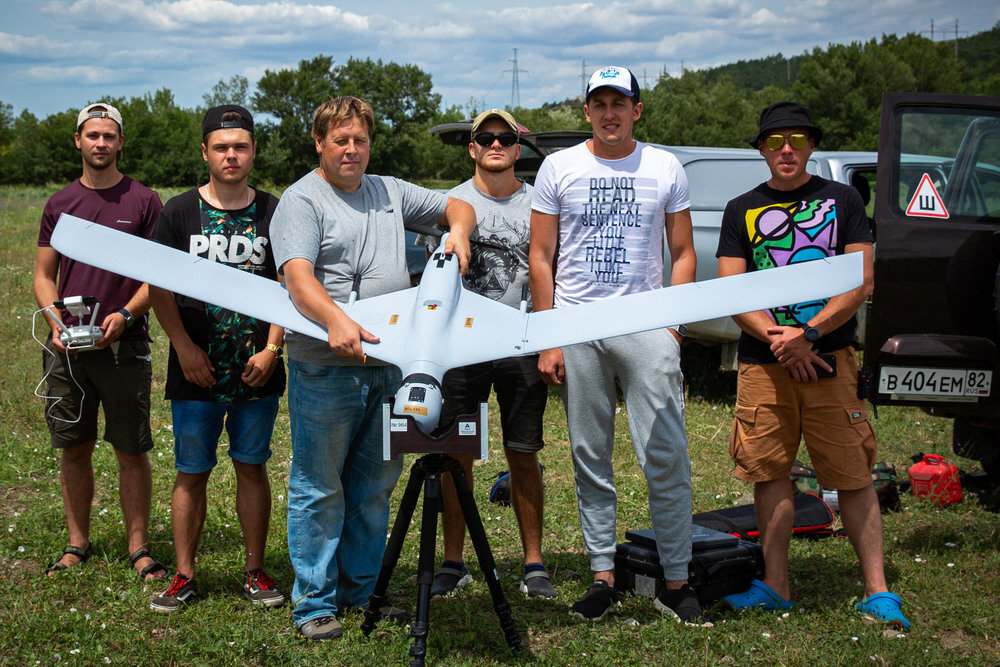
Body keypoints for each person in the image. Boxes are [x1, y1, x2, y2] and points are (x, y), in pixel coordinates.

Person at [269, 95, 475, 641]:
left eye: (360, 139)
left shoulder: (388, 190)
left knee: (375, 483)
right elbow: (297, 277)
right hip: (324, 366)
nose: (352, 150)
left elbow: (458, 206)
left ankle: (363, 593)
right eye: (341, 140)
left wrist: (458, 232)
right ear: (319, 143)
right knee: (319, 485)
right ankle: (314, 603)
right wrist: (335, 320)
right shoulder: (301, 201)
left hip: (389, 366)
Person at [715, 101, 909, 629]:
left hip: (830, 362)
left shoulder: (844, 200)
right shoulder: (740, 209)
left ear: (810, 147)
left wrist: (811, 336)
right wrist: (781, 340)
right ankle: (775, 587)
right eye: (775, 141)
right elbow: (732, 288)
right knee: (770, 473)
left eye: (796, 140)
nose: (786, 150)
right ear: (760, 148)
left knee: (852, 473)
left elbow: (860, 281)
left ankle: (878, 591)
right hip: (764, 364)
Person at [528, 67, 707, 625]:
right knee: (589, 454)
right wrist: (549, 334)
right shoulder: (559, 167)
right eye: (599, 103)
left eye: (620, 103)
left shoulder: (663, 166)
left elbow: (682, 252)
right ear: (586, 112)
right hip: (578, 325)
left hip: (647, 323)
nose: (610, 112)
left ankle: (676, 581)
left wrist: (672, 326)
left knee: (666, 453)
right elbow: (541, 256)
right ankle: (602, 575)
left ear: (637, 109)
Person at [146, 105, 286, 613]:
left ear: (253, 151)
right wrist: (184, 347)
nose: (232, 155)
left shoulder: (275, 210)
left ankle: (255, 570)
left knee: (252, 467)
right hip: (195, 370)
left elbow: (287, 284)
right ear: (205, 151)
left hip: (256, 369)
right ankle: (184, 574)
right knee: (191, 471)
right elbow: (157, 284)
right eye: (222, 146)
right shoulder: (179, 212)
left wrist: (272, 349)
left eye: (241, 146)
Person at [420, 109, 556, 601]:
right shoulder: (450, 203)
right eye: (486, 138)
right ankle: (453, 562)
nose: (496, 144)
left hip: (519, 342)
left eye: (505, 138)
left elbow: (547, 270)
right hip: (461, 345)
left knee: (523, 454)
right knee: (458, 455)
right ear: (473, 148)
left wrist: (548, 339)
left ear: (518, 149)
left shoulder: (540, 202)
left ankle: (534, 563)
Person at [34, 102, 167, 581]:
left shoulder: (144, 201)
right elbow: (44, 274)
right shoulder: (59, 204)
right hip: (66, 348)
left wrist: (125, 313)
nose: (100, 143)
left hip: (123, 347)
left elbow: (158, 277)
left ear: (120, 143)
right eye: (92, 135)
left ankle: (139, 548)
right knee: (74, 445)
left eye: (109, 136)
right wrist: (54, 321)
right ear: (78, 141)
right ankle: (77, 543)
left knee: (131, 448)